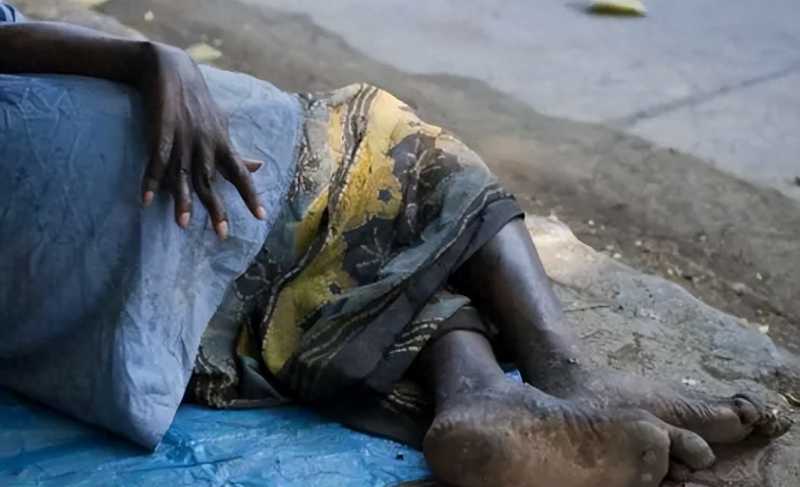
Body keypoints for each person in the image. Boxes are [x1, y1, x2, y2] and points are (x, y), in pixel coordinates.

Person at [0, 7, 790, 487]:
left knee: (342, 249)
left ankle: (481, 394)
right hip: (120, 194)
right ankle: (562, 369)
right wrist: (150, 56)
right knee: (386, 145)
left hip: (69, 315)